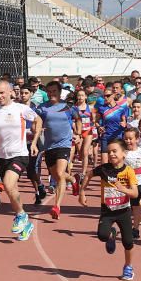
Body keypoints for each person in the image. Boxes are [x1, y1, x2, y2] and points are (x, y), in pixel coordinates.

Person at [0, 81, 40, 241]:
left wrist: (34, 141)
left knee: (8, 184)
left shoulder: (21, 109)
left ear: (10, 93)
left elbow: (38, 120)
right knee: (11, 190)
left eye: (2, 93)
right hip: (1, 157)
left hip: (19, 154)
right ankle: (25, 221)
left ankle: (21, 215)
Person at [78, 139, 138, 280]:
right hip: (107, 211)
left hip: (124, 211)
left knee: (128, 242)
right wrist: (82, 192)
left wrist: (123, 189)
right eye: (109, 151)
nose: (111, 154)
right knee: (102, 236)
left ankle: (128, 267)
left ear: (124, 154)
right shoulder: (104, 169)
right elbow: (88, 175)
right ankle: (111, 234)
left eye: (114, 151)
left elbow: (135, 193)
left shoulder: (129, 171)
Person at [36, 80, 80, 219]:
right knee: (56, 175)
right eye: (49, 92)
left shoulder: (68, 107)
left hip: (64, 144)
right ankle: (73, 180)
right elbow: (36, 121)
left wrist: (78, 132)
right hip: (49, 146)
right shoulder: (42, 108)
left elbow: (78, 118)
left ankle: (57, 206)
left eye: (54, 91)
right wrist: (35, 129)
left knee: (60, 174)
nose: (51, 94)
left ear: (60, 92)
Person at [95, 85, 130, 164]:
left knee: (117, 160)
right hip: (105, 136)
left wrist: (124, 124)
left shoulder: (121, 108)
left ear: (113, 95)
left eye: (108, 96)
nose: (106, 98)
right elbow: (96, 122)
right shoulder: (101, 108)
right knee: (104, 162)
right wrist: (99, 127)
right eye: (104, 96)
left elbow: (124, 121)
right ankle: (105, 176)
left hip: (117, 136)